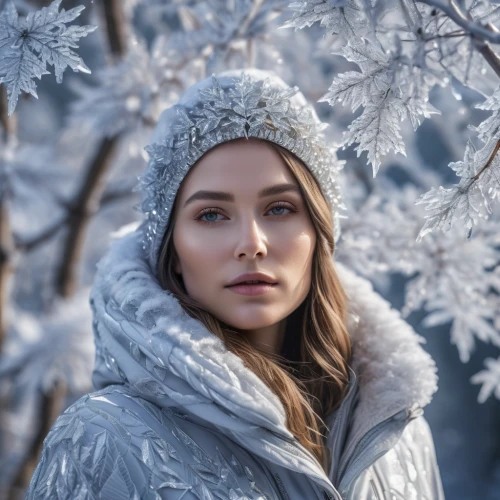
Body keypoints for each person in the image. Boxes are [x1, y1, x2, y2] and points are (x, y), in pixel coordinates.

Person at [26, 69, 445, 499]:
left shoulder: (396, 432)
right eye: (211, 214)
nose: (251, 244)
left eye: (280, 209)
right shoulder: (101, 439)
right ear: (172, 248)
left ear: (320, 230)